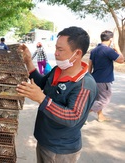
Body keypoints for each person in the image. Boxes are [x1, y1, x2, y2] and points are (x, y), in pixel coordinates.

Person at [17, 26, 97, 163]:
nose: (55, 53)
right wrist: (28, 61)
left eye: (60, 50)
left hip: (60, 150)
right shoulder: (58, 70)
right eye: (56, 48)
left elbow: (73, 116)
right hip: (44, 140)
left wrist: (42, 99)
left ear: (77, 53)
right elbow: (41, 82)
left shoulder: (84, 84)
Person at [88, 30, 124, 122]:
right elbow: (121, 60)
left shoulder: (94, 50)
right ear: (111, 39)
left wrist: (88, 76)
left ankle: (101, 116)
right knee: (104, 100)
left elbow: (90, 64)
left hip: (94, 78)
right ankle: (84, 114)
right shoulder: (108, 50)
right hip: (103, 81)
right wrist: (117, 48)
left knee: (98, 99)